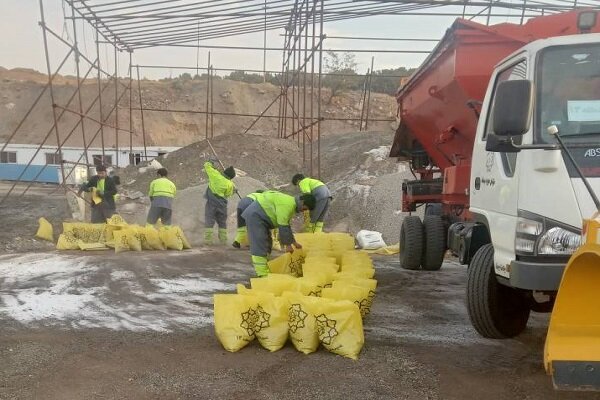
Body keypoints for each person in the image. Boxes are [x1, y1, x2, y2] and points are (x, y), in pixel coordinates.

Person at [241, 190, 316, 277]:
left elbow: (286, 226)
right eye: (305, 208)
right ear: (302, 202)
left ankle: (266, 266)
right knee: (259, 243)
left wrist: (294, 243)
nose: (303, 211)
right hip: (255, 216)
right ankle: (262, 275)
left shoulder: (291, 204)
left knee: (267, 243)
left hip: (262, 219)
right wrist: (288, 246)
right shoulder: (288, 205)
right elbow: (283, 226)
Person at [204, 160, 236, 245]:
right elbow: (228, 194)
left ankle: (208, 241)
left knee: (209, 220)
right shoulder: (230, 184)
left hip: (211, 203)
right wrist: (234, 191)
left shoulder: (215, 175)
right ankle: (223, 241)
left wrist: (211, 162)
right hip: (222, 204)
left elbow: (207, 166)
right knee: (222, 223)